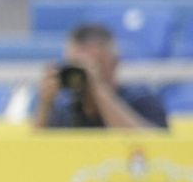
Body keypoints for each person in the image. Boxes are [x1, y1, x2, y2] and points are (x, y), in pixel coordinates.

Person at [35, 23, 169, 130]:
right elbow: (37, 153)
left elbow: (149, 149)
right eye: (75, 65)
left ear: (115, 63)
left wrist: (98, 89)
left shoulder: (141, 100)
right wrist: (45, 104)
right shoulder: (65, 108)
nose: (85, 72)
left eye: (97, 64)